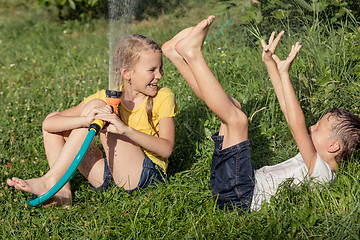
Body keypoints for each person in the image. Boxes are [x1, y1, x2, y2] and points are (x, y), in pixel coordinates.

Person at [162, 16, 360, 212]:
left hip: (241, 197)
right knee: (232, 107)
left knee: (237, 120)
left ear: (333, 146)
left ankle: (193, 54)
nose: (311, 126)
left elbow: (296, 124)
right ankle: (178, 56)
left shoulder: (322, 174)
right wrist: (271, 64)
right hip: (235, 186)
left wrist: (284, 75)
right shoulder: (315, 161)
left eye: (317, 127)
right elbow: (288, 110)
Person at [7, 34, 177, 206]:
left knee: (96, 107)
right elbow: (49, 124)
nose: (159, 75)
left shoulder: (163, 96)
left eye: (160, 68)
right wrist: (84, 121)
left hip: (144, 175)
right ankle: (62, 193)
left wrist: (125, 129)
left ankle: (49, 180)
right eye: (152, 70)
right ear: (127, 73)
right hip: (109, 173)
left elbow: (166, 149)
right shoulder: (108, 97)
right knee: (85, 111)